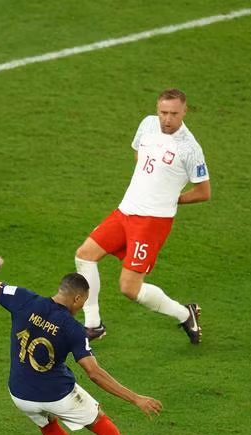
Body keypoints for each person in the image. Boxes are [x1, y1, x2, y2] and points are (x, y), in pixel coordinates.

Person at [0, 255, 166, 435]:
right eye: (83, 302)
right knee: (100, 421)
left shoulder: (24, 299)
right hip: (59, 395)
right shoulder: (73, 329)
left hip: (20, 394)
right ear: (76, 298)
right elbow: (94, 373)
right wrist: (135, 398)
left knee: (47, 425)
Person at [74, 88, 211, 344]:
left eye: (173, 114)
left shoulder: (190, 149)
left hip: (152, 223)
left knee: (129, 288)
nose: (167, 119)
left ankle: (185, 314)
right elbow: (140, 155)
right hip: (125, 211)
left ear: (185, 111)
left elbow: (204, 192)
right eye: (163, 112)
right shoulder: (148, 124)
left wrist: (174, 197)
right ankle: (93, 324)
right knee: (85, 255)